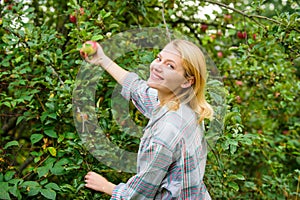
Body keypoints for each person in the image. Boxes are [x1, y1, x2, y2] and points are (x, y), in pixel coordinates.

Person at [83, 39, 214, 199]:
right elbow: (138, 89)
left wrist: (106, 186)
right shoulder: (182, 105)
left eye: (170, 66)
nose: (157, 66)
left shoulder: (165, 132)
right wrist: (102, 60)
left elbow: (138, 195)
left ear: (187, 81)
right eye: (159, 59)